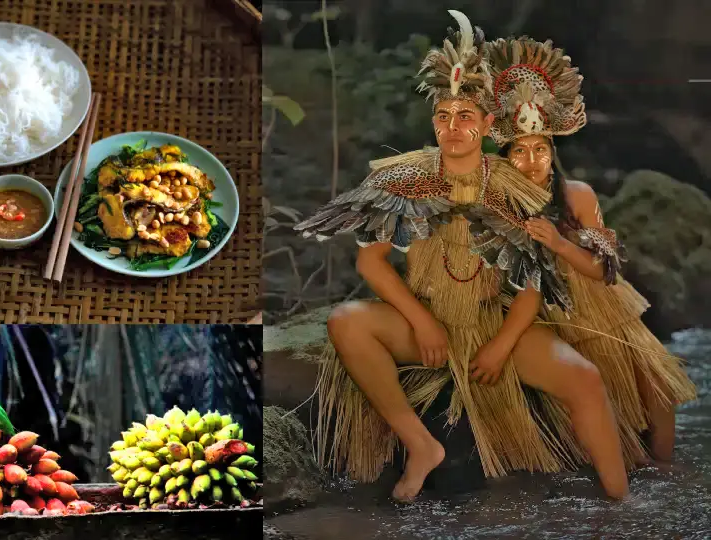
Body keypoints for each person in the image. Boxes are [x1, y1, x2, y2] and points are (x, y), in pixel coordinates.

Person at [295, 10, 629, 501]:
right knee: (347, 320)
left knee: (584, 377)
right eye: (443, 116)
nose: (452, 127)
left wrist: (502, 344)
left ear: (488, 123)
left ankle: (621, 500)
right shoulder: (401, 178)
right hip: (423, 322)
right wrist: (422, 322)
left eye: (465, 116)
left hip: (493, 326)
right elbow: (370, 264)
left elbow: (534, 280)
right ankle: (419, 444)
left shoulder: (513, 186)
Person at [484, 35, 696, 465]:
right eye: (519, 151)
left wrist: (560, 243)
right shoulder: (496, 203)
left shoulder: (577, 195)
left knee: (657, 391)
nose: (531, 161)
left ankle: (666, 475)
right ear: (505, 158)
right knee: (601, 407)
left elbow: (606, 271)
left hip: (604, 308)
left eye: (540, 149)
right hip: (546, 315)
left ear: (553, 151)